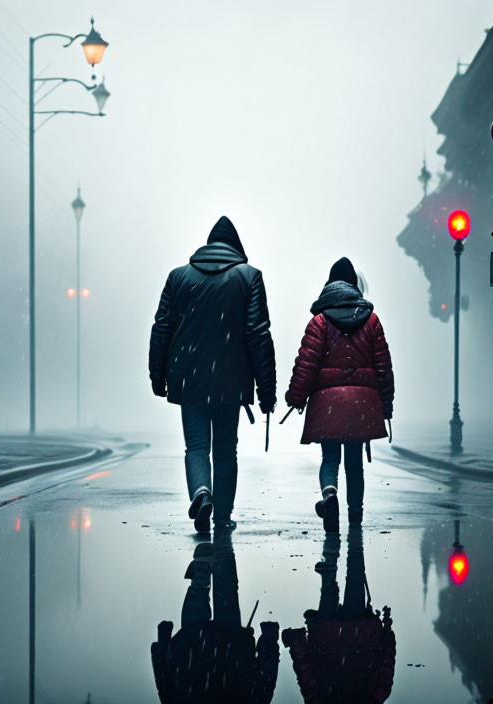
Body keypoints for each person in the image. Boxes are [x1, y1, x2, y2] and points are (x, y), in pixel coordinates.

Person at [150, 216, 276, 532]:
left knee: (195, 446)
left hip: (189, 377)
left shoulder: (177, 278)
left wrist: (158, 375)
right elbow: (258, 334)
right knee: (224, 450)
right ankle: (222, 515)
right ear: (236, 248)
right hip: (229, 381)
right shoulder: (249, 278)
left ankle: (201, 492)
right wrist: (267, 389)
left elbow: (162, 327)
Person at [284, 258, 394, 531]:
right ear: (355, 286)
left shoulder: (319, 322)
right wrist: (386, 405)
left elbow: (306, 364)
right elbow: (383, 367)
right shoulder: (372, 321)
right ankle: (355, 516)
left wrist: (296, 397)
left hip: (327, 404)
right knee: (355, 465)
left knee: (330, 458)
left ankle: (329, 493)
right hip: (361, 403)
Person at [150, 532, 280, 703]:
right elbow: (164, 686)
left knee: (223, 591)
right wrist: (162, 644)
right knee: (210, 594)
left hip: (225, 652)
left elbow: (264, 687)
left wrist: (269, 641)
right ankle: (208, 562)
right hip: (208, 652)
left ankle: (217, 552)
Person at [282, 528, 396, 703]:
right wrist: (297, 646)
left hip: (358, 635)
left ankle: (353, 521)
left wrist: (387, 637)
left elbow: (385, 670)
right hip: (330, 639)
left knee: (355, 575)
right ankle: (333, 536)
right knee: (333, 587)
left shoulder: (375, 698)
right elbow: (307, 678)